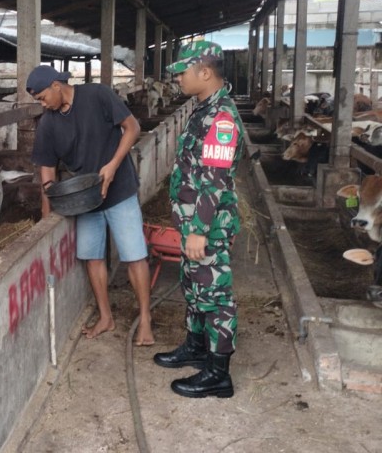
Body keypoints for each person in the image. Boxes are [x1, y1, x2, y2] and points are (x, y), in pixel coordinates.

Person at [27, 65, 154, 344]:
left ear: (57, 85)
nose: (42, 103)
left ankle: (145, 319)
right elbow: (46, 169)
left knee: (134, 255)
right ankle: (106, 317)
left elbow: (132, 128)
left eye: (43, 96)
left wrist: (112, 165)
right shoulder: (48, 123)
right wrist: (49, 208)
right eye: (38, 100)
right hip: (84, 198)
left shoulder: (97, 95)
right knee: (92, 257)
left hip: (119, 188)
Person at [153, 41, 244, 398]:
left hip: (208, 226)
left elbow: (215, 180)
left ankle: (219, 374)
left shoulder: (221, 117)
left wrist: (199, 231)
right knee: (194, 288)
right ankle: (196, 347)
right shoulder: (203, 109)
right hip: (193, 224)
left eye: (182, 72)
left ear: (204, 72)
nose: (178, 79)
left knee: (216, 295)